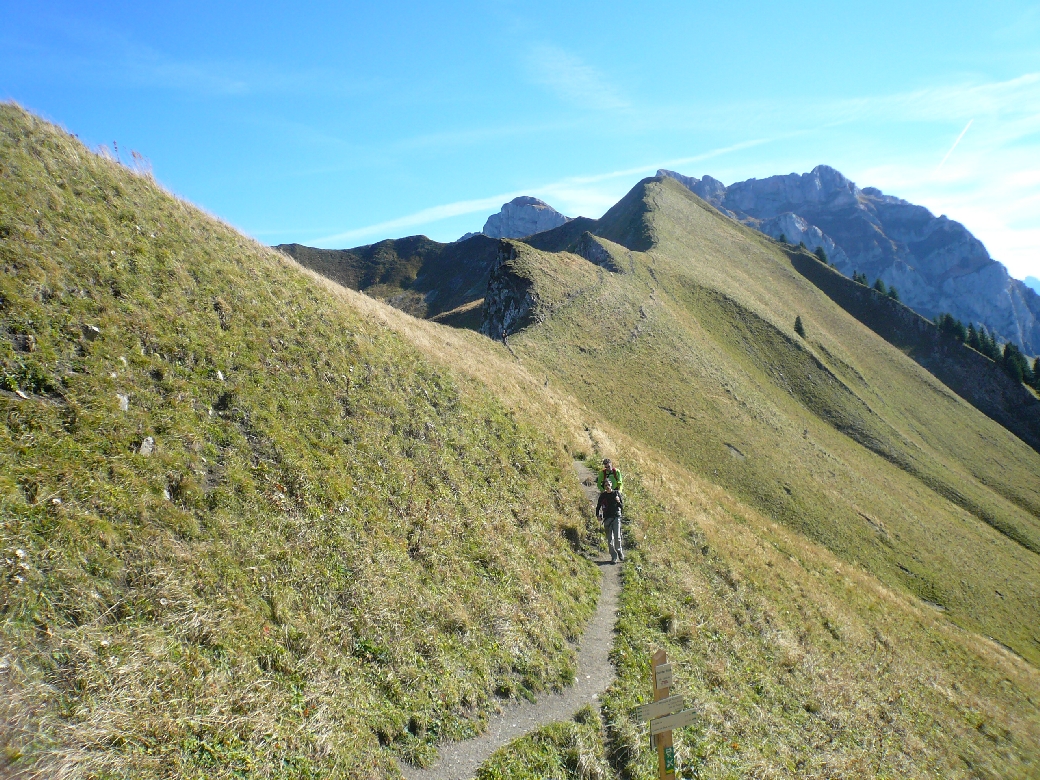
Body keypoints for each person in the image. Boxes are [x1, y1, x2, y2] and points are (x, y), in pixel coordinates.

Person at [596, 481, 624, 564]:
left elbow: (622, 507)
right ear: (604, 486)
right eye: (606, 485)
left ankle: (619, 551)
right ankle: (614, 557)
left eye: (608, 484)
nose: (607, 486)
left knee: (617, 537)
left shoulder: (616, 493)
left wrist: (618, 502)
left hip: (616, 517)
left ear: (611, 485)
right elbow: (598, 507)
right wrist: (598, 515)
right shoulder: (603, 495)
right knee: (609, 539)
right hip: (607, 518)